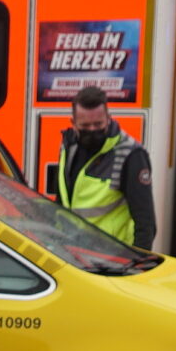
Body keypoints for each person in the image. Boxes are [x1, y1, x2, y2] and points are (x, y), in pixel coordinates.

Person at [49, 84, 153, 246]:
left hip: (112, 258)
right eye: (85, 126)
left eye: (98, 125)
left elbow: (145, 222)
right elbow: (62, 201)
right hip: (73, 253)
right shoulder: (69, 146)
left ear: (108, 119)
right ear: (73, 123)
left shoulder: (130, 154)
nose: (92, 130)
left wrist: (138, 264)